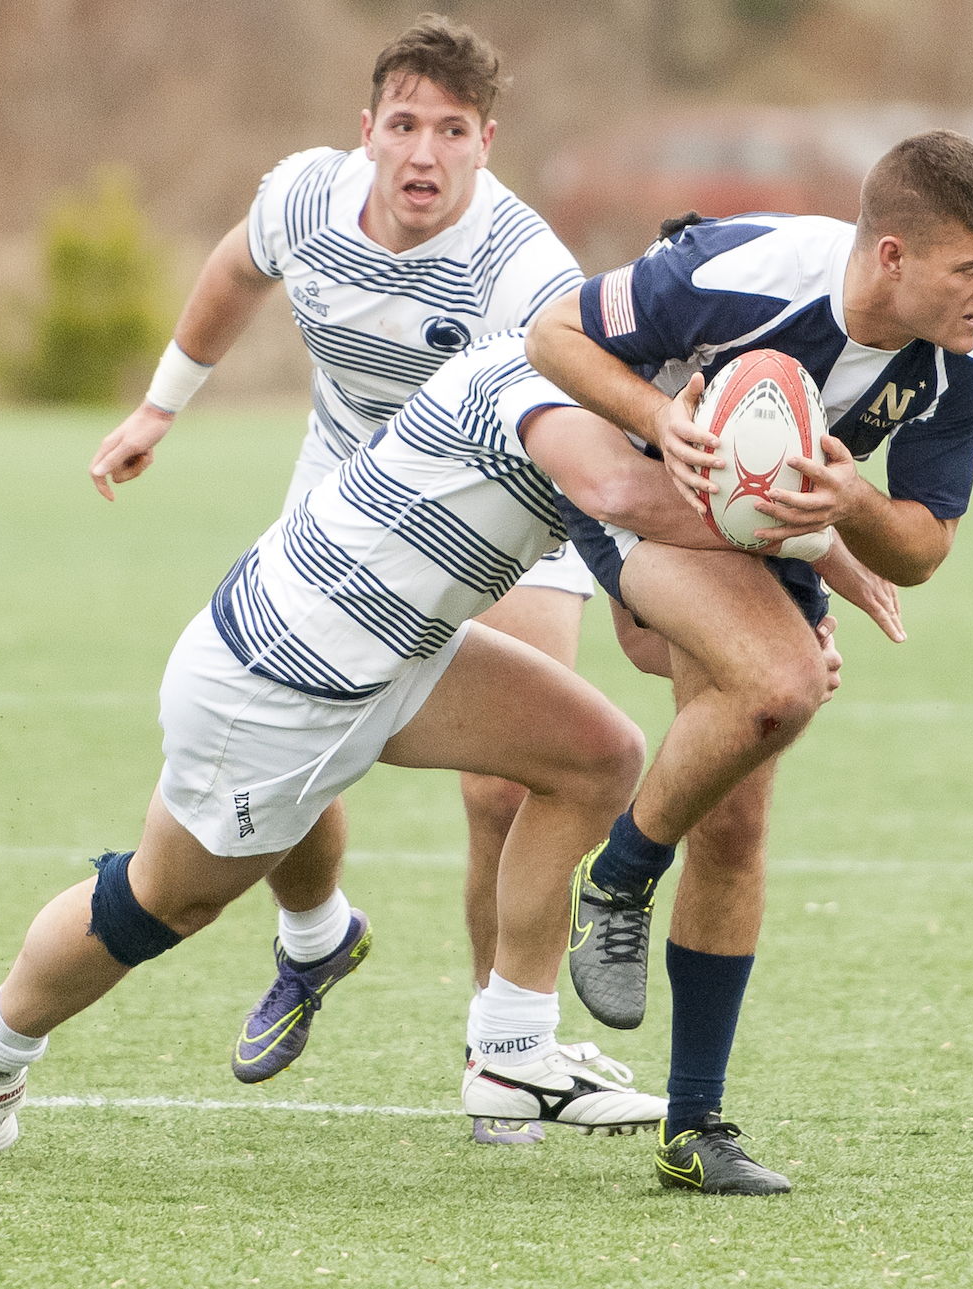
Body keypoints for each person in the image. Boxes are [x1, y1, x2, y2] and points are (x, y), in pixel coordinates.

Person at [0, 329, 783, 1156]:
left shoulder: (609, 425)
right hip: (275, 677)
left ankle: (512, 1050)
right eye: (683, 365)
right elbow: (634, 501)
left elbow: (640, 632)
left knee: (596, 754)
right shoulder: (531, 384)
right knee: (163, 900)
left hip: (394, 653)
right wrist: (807, 536)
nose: (687, 394)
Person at [84, 16, 594, 1145]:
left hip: (505, 499)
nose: (422, 152)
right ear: (365, 132)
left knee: (513, 782)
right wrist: (161, 403)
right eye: (403, 124)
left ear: (484, 144)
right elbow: (231, 269)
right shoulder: (309, 197)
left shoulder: (525, 270)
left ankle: (500, 1049)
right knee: (289, 742)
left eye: (450, 130)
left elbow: (575, 435)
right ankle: (314, 935)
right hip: (347, 496)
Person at [526, 130, 973, 1194]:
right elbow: (552, 334)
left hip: (772, 525)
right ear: (891, 256)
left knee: (739, 816)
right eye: (971, 267)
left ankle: (691, 1127)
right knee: (787, 679)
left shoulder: (967, 358)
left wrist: (853, 502)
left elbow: (925, 544)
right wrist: (660, 417)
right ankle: (614, 879)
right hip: (631, 485)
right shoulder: (742, 271)